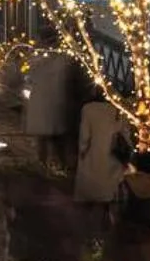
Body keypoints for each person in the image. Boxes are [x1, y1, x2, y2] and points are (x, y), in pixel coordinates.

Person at [25, 36, 80, 171]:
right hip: (56, 107)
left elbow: (29, 77)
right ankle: (60, 166)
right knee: (56, 140)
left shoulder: (37, 60)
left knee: (45, 140)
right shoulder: (64, 61)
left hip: (44, 107)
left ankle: (45, 166)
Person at [75, 90, 128, 210]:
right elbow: (125, 135)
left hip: (92, 153)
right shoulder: (118, 110)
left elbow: (85, 134)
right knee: (109, 188)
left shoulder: (88, 109)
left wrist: (82, 149)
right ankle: (107, 215)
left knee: (91, 184)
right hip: (112, 155)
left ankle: (89, 213)